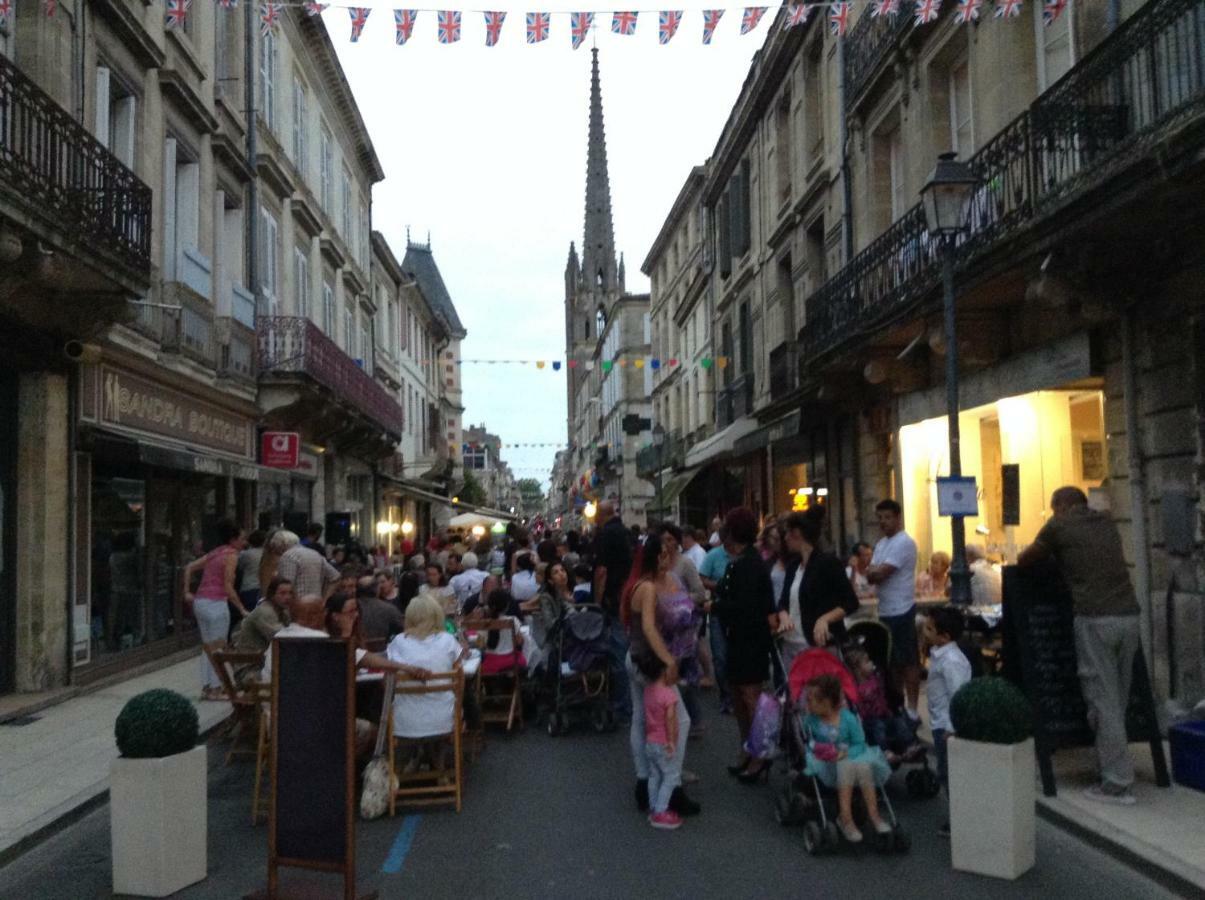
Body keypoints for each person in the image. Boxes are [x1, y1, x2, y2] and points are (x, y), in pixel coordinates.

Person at [1019, 485, 1142, 805]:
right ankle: (1113, 765)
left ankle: (1117, 784)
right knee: (1119, 698)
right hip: (1129, 615)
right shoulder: (1106, 522)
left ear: (1060, 505)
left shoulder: (1059, 525)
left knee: (1103, 701)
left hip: (1094, 617)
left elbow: (1026, 559)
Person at [624, 532, 699, 817]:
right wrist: (669, 660)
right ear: (656, 557)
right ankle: (672, 785)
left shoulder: (641, 585)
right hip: (649, 663)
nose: (669, 558)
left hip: (638, 659)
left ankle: (645, 783)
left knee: (641, 718)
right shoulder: (648, 588)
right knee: (679, 719)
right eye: (665, 554)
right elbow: (648, 627)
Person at [712, 508, 776, 781]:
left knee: (750, 698)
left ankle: (759, 754)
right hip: (738, 638)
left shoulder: (749, 564)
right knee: (739, 696)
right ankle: (747, 748)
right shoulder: (741, 562)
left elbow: (746, 604)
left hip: (751, 638)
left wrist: (715, 606)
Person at [803, 674, 893, 844]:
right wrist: (826, 751)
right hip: (826, 765)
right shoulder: (811, 721)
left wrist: (845, 754)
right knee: (847, 765)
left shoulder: (848, 719)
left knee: (863, 766)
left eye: (811, 700)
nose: (807, 704)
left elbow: (860, 743)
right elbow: (810, 743)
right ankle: (845, 818)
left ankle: (874, 815)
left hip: (851, 760)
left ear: (828, 702)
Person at [777, 510, 860, 672]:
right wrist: (783, 615)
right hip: (791, 643)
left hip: (818, 644)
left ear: (797, 533)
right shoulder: (793, 566)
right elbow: (783, 601)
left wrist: (825, 619)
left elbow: (850, 601)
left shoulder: (828, 563)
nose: (785, 538)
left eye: (787, 533)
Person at [386, 593, 469, 741]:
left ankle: (419, 757)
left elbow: (387, 682)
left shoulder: (398, 643)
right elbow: (460, 678)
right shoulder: (448, 641)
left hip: (405, 720)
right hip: (443, 716)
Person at [866, 499, 920, 715]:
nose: (883, 522)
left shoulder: (903, 542)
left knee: (908, 660)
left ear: (898, 518)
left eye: (887, 517)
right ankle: (897, 705)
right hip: (885, 610)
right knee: (892, 662)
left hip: (902, 608)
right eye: (880, 518)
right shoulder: (880, 545)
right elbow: (871, 573)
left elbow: (879, 573)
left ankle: (913, 708)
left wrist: (874, 571)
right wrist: (873, 572)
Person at [183, 520, 248, 700]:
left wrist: (187, 591)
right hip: (216, 603)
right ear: (234, 539)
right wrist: (241, 608)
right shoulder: (232, 555)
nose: (244, 542)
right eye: (242, 539)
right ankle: (216, 687)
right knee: (218, 646)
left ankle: (208, 686)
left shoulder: (214, 553)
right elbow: (228, 586)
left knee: (207, 646)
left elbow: (189, 567)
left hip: (200, 602)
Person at [923, 606, 973, 836]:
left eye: (930, 629)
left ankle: (960, 819)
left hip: (946, 725)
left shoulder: (951, 661)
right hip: (939, 722)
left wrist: (953, 727)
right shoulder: (940, 654)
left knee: (950, 773)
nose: (925, 632)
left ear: (945, 636)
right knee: (945, 771)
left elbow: (958, 694)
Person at [593, 500, 633, 719]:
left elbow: (602, 571)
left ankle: (622, 705)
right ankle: (625, 701)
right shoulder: (625, 532)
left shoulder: (606, 534)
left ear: (601, 514)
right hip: (625, 595)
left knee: (617, 652)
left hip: (612, 598)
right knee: (623, 649)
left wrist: (597, 601)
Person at [639, 654, 683, 831]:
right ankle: (661, 810)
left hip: (650, 741)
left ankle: (654, 806)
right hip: (664, 741)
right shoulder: (668, 695)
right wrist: (672, 741)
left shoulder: (648, 691)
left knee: (654, 775)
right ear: (665, 671)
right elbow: (670, 719)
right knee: (671, 777)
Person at [231, 577, 295, 685]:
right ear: (271, 595)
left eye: (290, 593)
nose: (287, 597)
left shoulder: (282, 611)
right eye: (282, 593)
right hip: (251, 671)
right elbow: (283, 639)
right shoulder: (265, 612)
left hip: (264, 664)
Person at [698, 531, 734, 712]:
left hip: (737, 610)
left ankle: (736, 693)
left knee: (736, 654)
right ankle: (726, 695)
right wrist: (719, 586)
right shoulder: (714, 556)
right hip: (718, 607)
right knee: (720, 655)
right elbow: (702, 577)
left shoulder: (743, 555)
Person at [276, 533, 341, 602]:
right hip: (316, 604)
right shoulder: (315, 554)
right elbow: (336, 577)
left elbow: (286, 586)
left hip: (297, 606)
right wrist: (325, 600)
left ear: (281, 545)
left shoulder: (287, 556)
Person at [480, 588, 527, 676]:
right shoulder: (513, 620)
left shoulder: (484, 623)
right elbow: (519, 641)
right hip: (511, 660)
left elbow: (481, 644)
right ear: (506, 606)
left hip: (491, 663)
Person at [357, 575, 404, 644]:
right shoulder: (389, 609)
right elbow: (401, 631)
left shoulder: (351, 609)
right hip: (383, 649)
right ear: (377, 589)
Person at [237, 530, 267, 612]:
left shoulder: (245, 554)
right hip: (264, 587)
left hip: (248, 587)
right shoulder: (267, 554)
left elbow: (240, 567)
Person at [761, 521, 787, 604]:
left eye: (779, 539)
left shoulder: (794, 562)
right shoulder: (768, 563)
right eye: (775, 538)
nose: (777, 542)